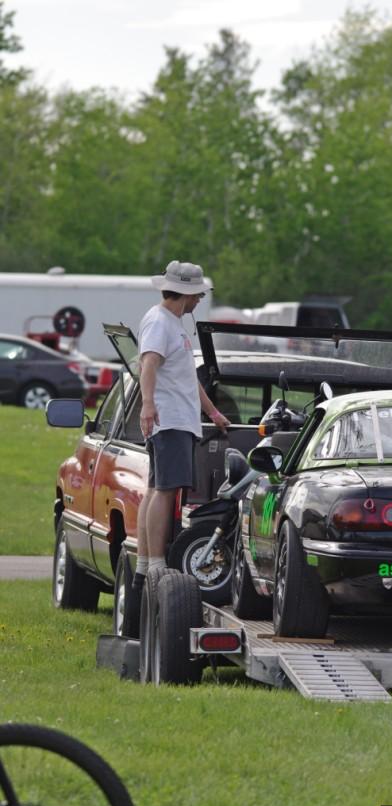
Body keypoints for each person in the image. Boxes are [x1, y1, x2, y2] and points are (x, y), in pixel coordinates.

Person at [125, 260, 230, 636]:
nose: (200, 298)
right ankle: (153, 562)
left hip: (178, 419)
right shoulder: (159, 321)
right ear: (184, 293)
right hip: (168, 420)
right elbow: (148, 364)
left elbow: (186, 376)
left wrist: (213, 412)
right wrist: (148, 405)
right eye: (197, 293)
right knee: (165, 490)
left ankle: (144, 564)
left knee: (158, 487)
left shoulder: (174, 325)